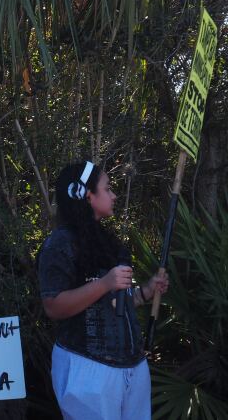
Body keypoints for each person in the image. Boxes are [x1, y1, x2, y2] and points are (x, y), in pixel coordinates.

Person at [38, 161, 169, 420]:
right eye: (107, 189)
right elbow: (53, 306)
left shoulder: (108, 242)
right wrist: (104, 283)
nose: (114, 195)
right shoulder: (59, 244)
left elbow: (113, 304)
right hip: (87, 369)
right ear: (87, 196)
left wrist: (145, 292)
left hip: (131, 369)